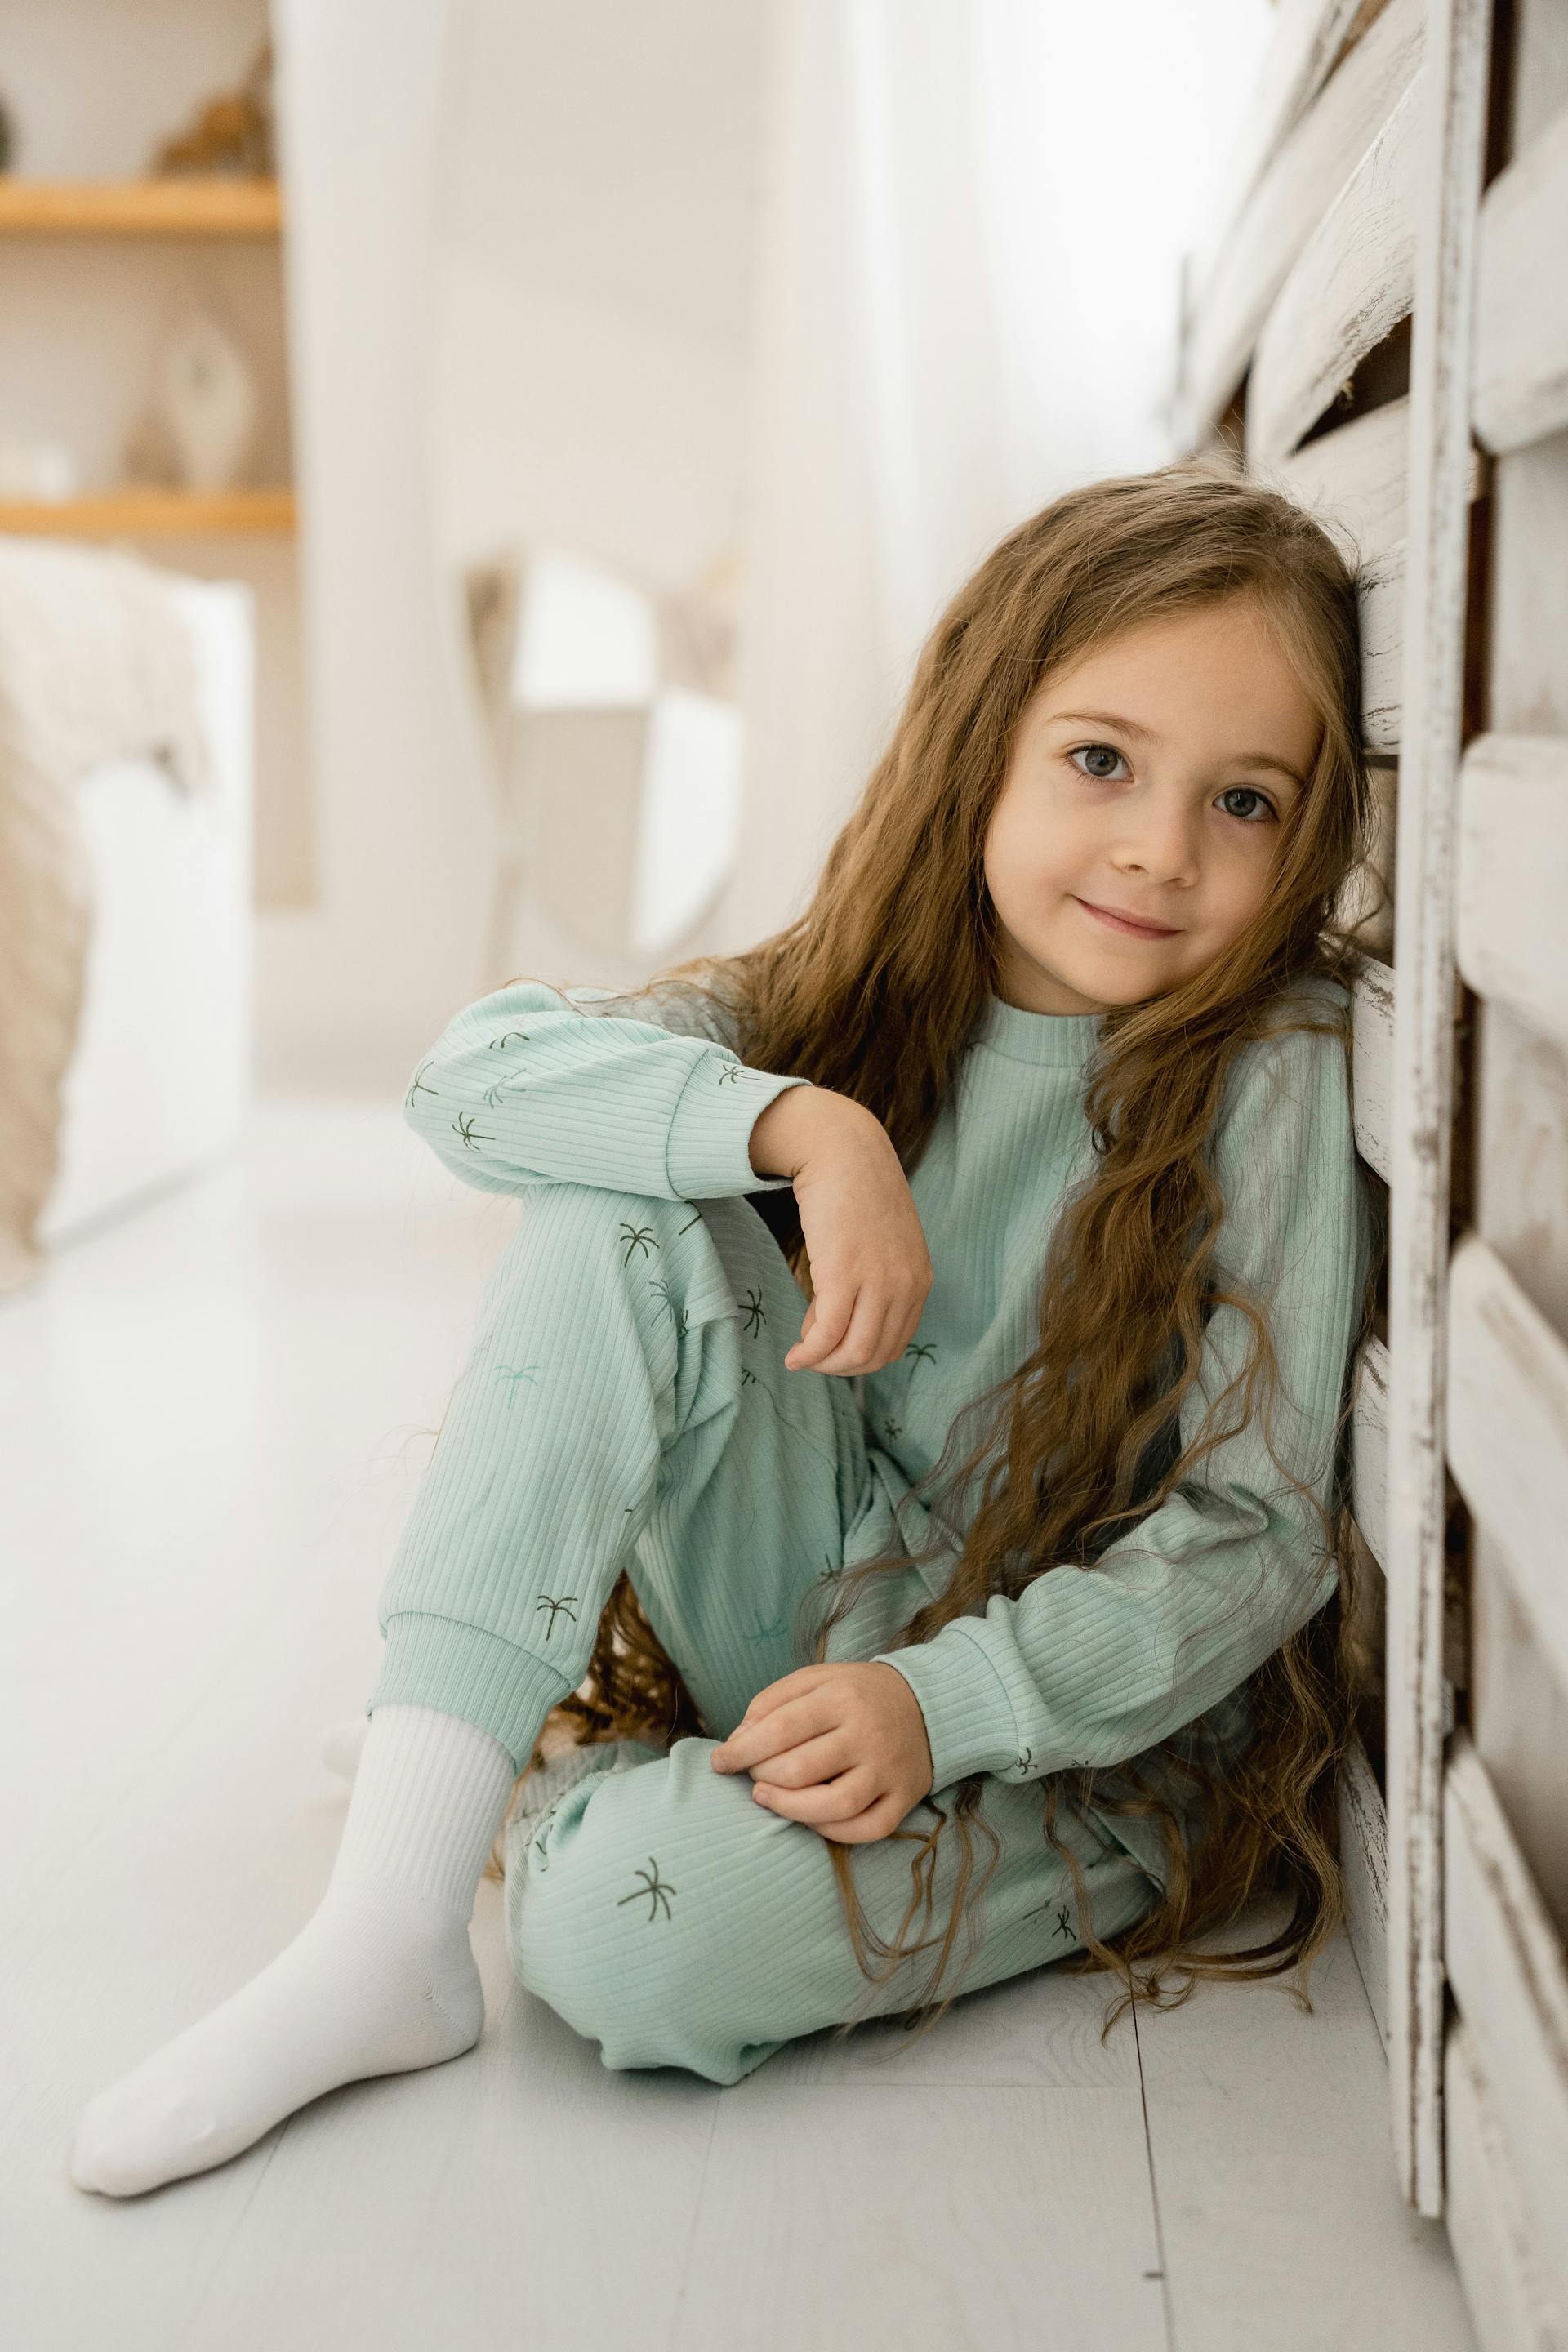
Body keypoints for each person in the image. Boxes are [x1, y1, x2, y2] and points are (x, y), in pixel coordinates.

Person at [71, 460, 1379, 2197]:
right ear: (985, 740)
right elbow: (472, 1080)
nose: (1159, 845)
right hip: (805, 1618)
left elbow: (1253, 1532)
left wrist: (946, 1698)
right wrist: (803, 1129)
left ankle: (510, 1793)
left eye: (1247, 804)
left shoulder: (1269, 1071)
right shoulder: (845, 996)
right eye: (1102, 762)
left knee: (627, 1944)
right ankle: (386, 1924)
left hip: (1069, 1746)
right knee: (627, 1182)